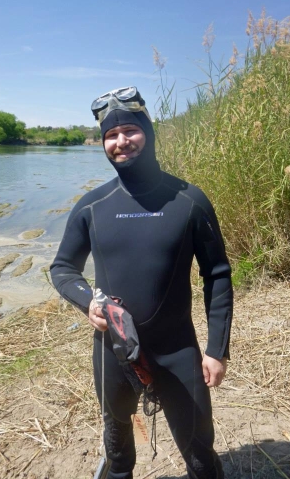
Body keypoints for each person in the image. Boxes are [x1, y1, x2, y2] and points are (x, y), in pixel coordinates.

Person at [50, 86, 233, 479]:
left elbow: (217, 274)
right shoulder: (92, 206)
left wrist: (217, 349)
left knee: (201, 457)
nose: (121, 142)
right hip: (112, 352)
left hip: (178, 349)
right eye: (111, 136)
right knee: (118, 455)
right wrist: (89, 303)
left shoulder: (188, 200)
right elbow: (63, 268)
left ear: (147, 133)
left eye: (130, 130)